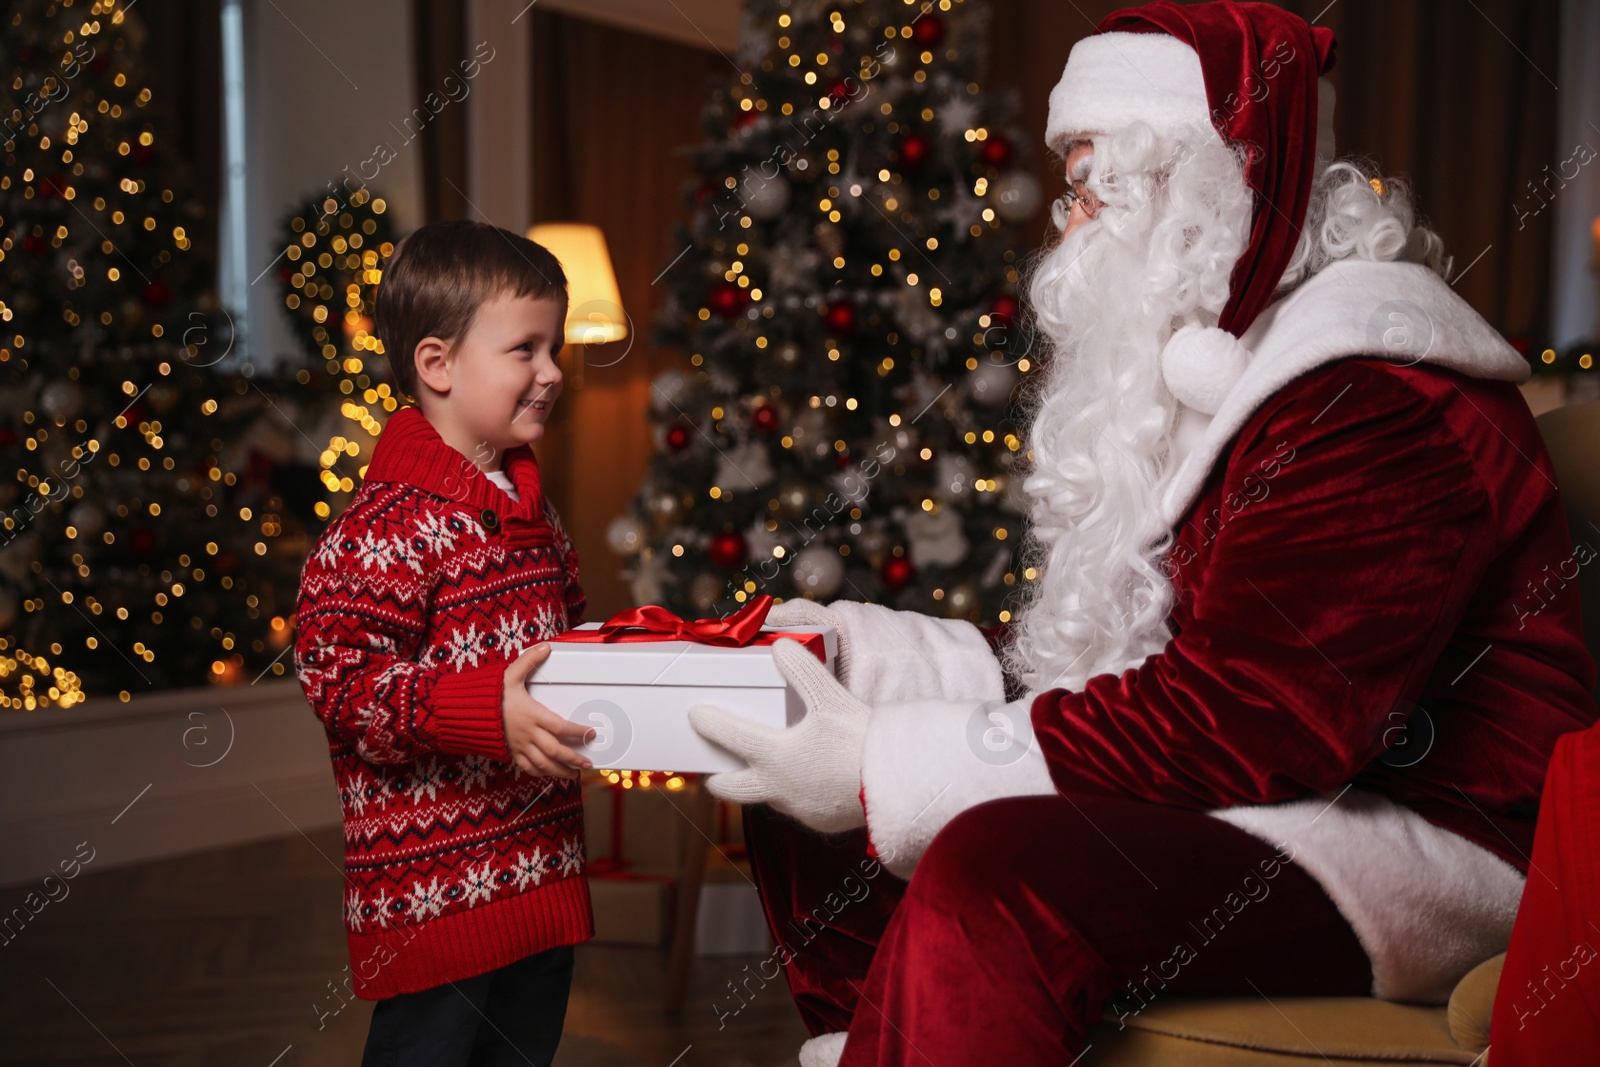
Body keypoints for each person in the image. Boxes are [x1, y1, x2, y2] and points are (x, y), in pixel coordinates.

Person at [687, 3, 1599, 1064]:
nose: (1065, 228)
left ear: (1197, 193)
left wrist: (883, 763)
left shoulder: (1372, 394)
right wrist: (864, 659)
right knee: (808, 766)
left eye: (1087, 186)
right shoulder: (1204, 375)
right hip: (1271, 794)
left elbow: (1254, 717)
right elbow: (1114, 665)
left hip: (1421, 837)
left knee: (998, 863)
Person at [293, 220, 596, 1067]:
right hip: (434, 897)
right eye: (525, 349)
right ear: (437, 364)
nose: (551, 371)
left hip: (539, 871)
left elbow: (567, 647)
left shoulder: (533, 515)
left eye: (555, 346)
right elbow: (340, 683)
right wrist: (478, 707)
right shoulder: (384, 526)